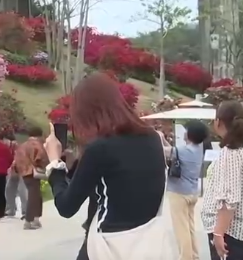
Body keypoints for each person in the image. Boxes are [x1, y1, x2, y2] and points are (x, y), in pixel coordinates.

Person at [42, 73, 169, 260]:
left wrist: (54, 163)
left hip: (110, 244)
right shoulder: (153, 138)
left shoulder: (100, 148)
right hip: (149, 241)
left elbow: (66, 206)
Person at [201, 100, 243, 260]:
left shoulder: (230, 154)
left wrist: (218, 233)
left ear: (218, 122)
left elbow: (230, 200)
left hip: (232, 233)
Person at [168, 121, 209, 260]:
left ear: (190, 134)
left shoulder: (183, 151)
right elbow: (174, 152)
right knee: (190, 227)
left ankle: (185, 257)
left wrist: (159, 137)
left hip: (179, 193)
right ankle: (194, 256)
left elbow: (164, 151)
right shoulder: (197, 149)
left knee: (181, 229)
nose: (184, 133)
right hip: (192, 193)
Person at [14, 126, 49, 230]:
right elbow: (40, 157)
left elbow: (16, 161)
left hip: (24, 172)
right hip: (33, 171)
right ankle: (29, 220)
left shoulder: (22, 145)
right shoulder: (37, 145)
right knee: (34, 196)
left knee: (36, 194)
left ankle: (36, 219)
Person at [2, 133, 29, 219]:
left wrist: (13, 164)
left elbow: (19, 157)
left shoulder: (15, 145)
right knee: (9, 188)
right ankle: (11, 209)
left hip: (22, 169)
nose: (3, 143)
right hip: (13, 170)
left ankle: (25, 211)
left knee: (22, 189)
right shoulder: (6, 148)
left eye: (4, 140)